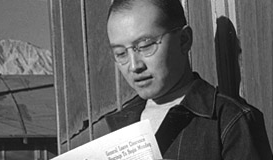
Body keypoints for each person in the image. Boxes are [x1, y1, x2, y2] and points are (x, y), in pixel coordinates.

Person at [103, 0, 272, 159]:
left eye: (145, 46)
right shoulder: (117, 127)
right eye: (121, 53)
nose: (134, 66)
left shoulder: (229, 120)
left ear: (184, 40)